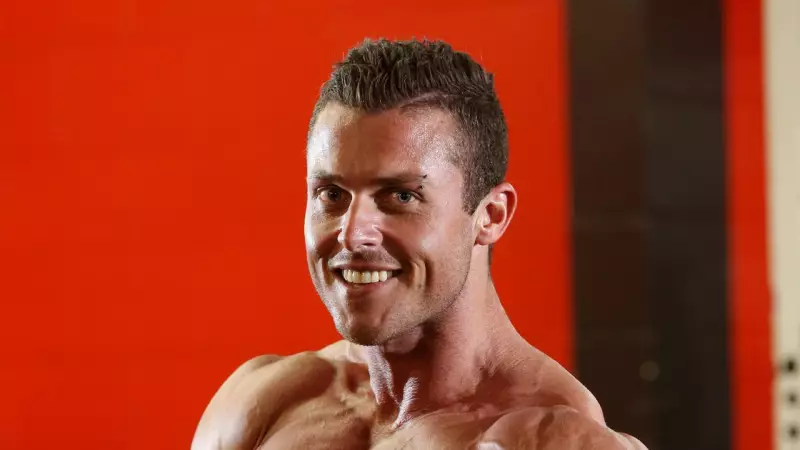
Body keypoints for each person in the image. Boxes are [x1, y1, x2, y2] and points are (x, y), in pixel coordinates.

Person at [191, 38, 647, 450]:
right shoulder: (264, 402)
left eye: (401, 196)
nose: (352, 233)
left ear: (490, 216)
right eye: (331, 194)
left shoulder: (546, 439)